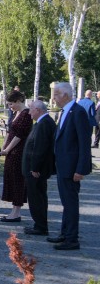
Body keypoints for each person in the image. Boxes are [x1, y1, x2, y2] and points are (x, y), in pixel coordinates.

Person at [49, 82, 92, 250]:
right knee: (66, 202)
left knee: (71, 203)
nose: (54, 97)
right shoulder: (66, 111)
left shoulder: (78, 112)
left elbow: (84, 143)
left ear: (66, 95)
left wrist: (81, 169)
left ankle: (72, 239)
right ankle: (65, 233)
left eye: (57, 94)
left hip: (72, 167)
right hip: (63, 165)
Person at [21, 100, 56, 236]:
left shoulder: (44, 123)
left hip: (36, 170)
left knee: (37, 197)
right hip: (35, 169)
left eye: (31, 110)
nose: (29, 112)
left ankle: (40, 226)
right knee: (38, 196)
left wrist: (35, 168)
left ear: (38, 110)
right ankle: (39, 224)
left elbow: (40, 148)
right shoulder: (43, 122)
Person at [0, 91, 32, 221]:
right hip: (11, 152)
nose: (10, 107)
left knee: (18, 181)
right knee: (11, 179)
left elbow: (19, 135)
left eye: (11, 104)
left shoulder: (26, 114)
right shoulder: (14, 113)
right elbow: (9, 131)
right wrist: (4, 147)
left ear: (18, 101)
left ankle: (16, 212)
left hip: (19, 151)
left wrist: (8, 149)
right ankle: (14, 210)